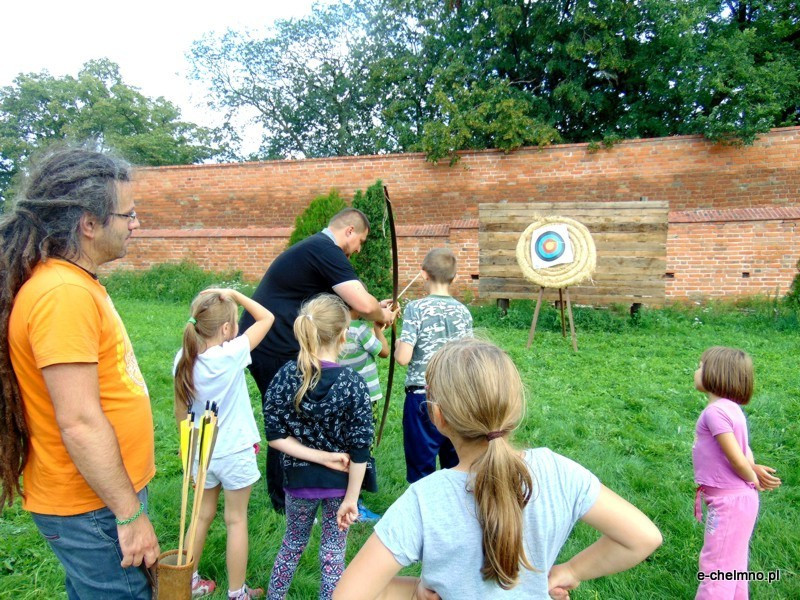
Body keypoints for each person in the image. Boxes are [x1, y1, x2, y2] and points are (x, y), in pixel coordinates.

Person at [333, 338, 663, 600]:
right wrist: (571, 572)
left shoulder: (424, 500)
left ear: (438, 416)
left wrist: (413, 592)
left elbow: (348, 595)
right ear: (514, 406)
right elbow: (642, 538)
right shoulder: (559, 472)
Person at [1, 146, 159, 599]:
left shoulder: (73, 283)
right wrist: (129, 516)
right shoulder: (62, 294)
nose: (135, 224)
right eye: (126, 214)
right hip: (94, 505)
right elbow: (80, 421)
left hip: (101, 497)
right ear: (89, 224)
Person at [241, 207, 395, 512]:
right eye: (360, 241)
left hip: (274, 341)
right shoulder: (325, 249)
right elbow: (362, 303)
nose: (359, 249)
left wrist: (376, 310)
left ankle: (304, 490)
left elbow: (349, 303)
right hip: (269, 344)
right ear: (348, 231)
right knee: (285, 419)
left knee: (295, 416)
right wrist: (382, 314)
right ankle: (284, 501)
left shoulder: (319, 251)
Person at [263, 294, 373, 600]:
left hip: (299, 482)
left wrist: (320, 457)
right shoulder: (353, 383)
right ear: (343, 335)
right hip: (340, 485)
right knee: (332, 554)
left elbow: (276, 435)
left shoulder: (286, 376)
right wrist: (352, 497)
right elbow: (361, 447)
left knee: (292, 544)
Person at [173, 288, 275, 599]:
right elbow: (267, 317)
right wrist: (235, 294)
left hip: (200, 449)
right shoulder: (230, 354)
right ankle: (237, 593)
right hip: (234, 450)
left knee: (201, 515)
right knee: (236, 519)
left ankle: (187, 581)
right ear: (227, 329)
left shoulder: (183, 357)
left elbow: (180, 408)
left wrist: (185, 446)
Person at [692, 346, 781, 600]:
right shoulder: (732, 409)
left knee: (716, 567)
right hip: (738, 500)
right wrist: (752, 469)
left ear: (716, 374)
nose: (696, 371)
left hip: (728, 502)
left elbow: (734, 456)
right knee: (733, 564)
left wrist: (751, 477)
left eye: (700, 366)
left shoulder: (715, 412)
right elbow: (745, 452)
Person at [395, 248, 472, 483]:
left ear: (424, 275)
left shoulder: (415, 308)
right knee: (456, 465)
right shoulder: (464, 311)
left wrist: (398, 342)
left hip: (422, 398)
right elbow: (470, 356)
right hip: (456, 397)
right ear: (454, 277)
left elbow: (403, 357)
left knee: (421, 470)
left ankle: (423, 513)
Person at [339, 301, 390, 522]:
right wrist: (378, 327)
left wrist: (375, 308)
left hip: (340, 399)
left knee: (342, 445)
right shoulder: (361, 330)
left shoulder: (335, 326)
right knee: (362, 449)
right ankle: (355, 503)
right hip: (366, 400)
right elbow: (385, 352)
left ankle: (336, 496)